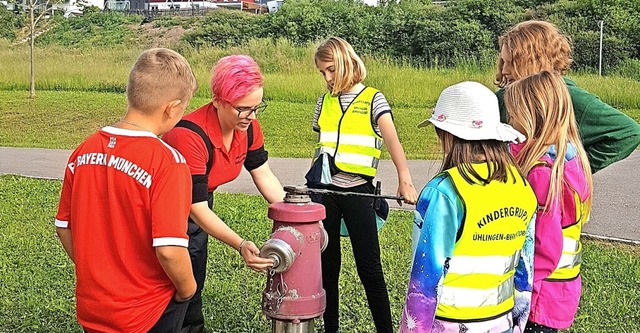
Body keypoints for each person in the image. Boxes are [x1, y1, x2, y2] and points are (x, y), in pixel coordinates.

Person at [54, 48, 198, 332]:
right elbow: (169, 250)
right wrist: (188, 290)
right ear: (172, 107)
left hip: (93, 307)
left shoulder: (83, 151)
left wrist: (98, 274)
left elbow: (63, 227)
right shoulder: (168, 162)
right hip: (147, 312)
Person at [400, 81, 538, 333]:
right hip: (501, 321)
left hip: (449, 323)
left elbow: (425, 278)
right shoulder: (523, 187)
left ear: (448, 135)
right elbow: (525, 268)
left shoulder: (444, 191)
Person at [162, 54, 285, 333]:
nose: (251, 117)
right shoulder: (189, 135)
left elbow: (263, 173)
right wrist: (241, 245)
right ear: (217, 100)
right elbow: (196, 208)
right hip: (166, 208)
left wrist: (295, 215)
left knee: (194, 276)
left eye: (256, 108)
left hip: (198, 203)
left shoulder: (249, 127)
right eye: (243, 108)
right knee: (174, 281)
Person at [307, 36, 418, 333]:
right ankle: (330, 329)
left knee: (370, 270)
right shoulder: (323, 102)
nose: (327, 78)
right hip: (325, 194)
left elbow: (393, 142)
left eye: (331, 70)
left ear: (345, 63)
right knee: (327, 269)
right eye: (322, 73)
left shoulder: (373, 99)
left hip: (359, 194)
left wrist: (404, 181)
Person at [504, 71, 593, 333]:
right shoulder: (570, 160)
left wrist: (517, 287)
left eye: (513, 114)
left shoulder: (542, 173)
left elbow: (545, 245)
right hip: (560, 294)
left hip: (538, 298)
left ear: (533, 116)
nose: (509, 121)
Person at [495, 19, 640, 174]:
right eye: (503, 62)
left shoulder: (570, 97)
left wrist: (571, 169)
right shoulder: (502, 98)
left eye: (512, 63)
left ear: (536, 61)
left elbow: (629, 132)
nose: (504, 70)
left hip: (549, 194)